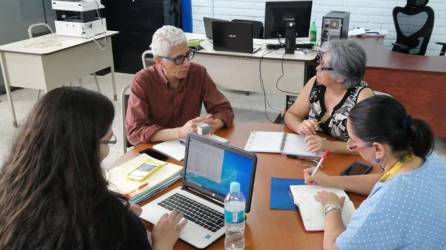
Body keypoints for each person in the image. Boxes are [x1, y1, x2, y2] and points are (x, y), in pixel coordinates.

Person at [0, 87, 186, 250]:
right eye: (107, 140)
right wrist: (163, 242)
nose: (107, 149)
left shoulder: (10, 185)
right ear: (84, 149)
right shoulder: (111, 221)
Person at [304, 95, 446, 250]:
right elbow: (384, 181)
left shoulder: (385, 203)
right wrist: (329, 180)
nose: (350, 145)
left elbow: (334, 248)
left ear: (378, 149)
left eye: (353, 142)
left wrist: (332, 207)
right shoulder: (424, 155)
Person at [125, 25, 234, 145]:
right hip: (154, 148)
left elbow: (225, 110)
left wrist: (213, 124)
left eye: (187, 55)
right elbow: (134, 133)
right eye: (179, 59)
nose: (187, 63)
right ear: (159, 61)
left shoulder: (198, 73)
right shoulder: (142, 81)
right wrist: (180, 132)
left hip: (187, 145)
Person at [284, 39, 375, 154]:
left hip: (344, 159)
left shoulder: (362, 97)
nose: (317, 68)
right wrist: (299, 126)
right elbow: (291, 114)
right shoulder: (316, 84)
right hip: (313, 154)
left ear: (340, 77)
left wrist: (331, 146)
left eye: (322, 66)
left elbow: (367, 146)